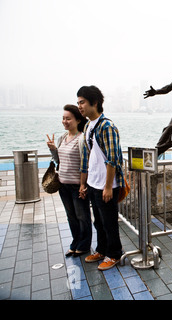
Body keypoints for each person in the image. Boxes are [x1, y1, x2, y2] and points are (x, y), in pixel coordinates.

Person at [77, 85, 126, 271]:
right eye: (78, 103)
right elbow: (87, 157)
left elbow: (113, 160)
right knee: (98, 220)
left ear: (94, 102)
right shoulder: (89, 126)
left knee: (109, 221)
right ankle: (102, 249)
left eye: (82, 102)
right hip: (93, 182)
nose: (80, 106)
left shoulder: (107, 126)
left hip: (107, 184)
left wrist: (107, 187)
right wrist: (83, 183)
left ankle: (114, 253)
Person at [46, 104, 91, 257]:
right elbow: (58, 160)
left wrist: (83, 184)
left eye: (68, 119)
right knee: (70, 216)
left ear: (78, 120)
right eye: (63, 118)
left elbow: (85, 164)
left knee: (82, 216)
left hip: (77, 185)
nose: (65, 121)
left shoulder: (82, 139)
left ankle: (84, 245)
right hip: (63, 185)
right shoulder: (62, 138)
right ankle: (75, 242)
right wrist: (53, 149)